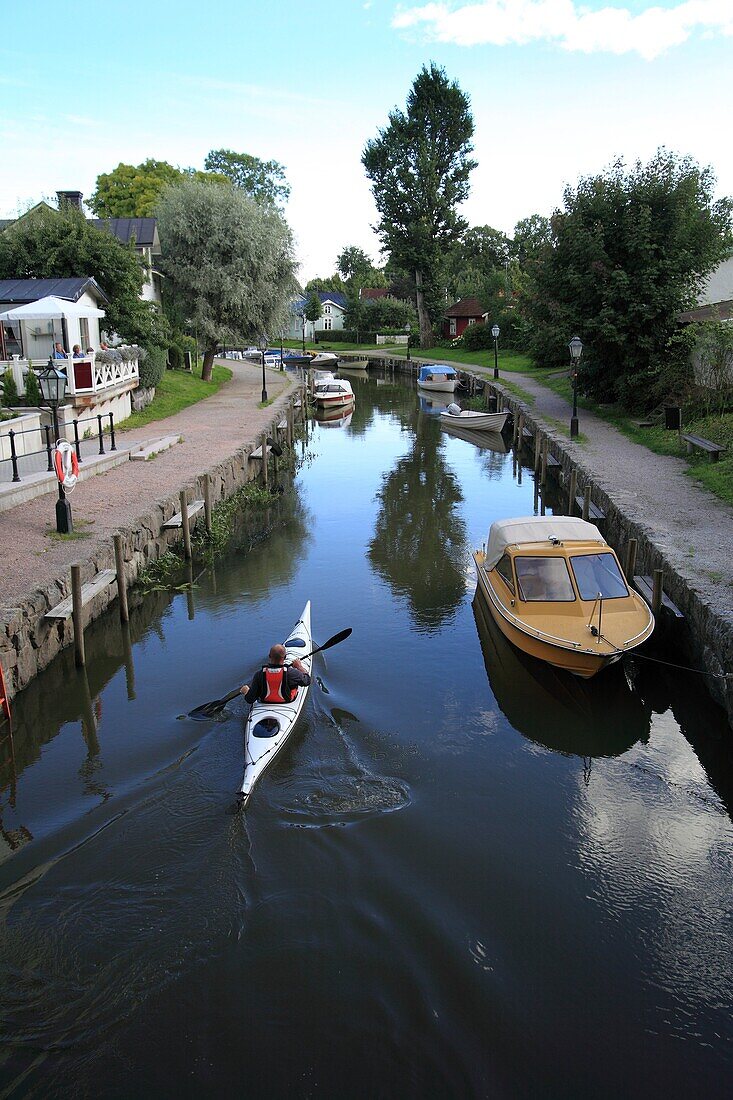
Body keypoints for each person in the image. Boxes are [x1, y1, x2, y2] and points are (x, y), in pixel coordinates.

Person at [240, 643, 310, 705]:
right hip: (287, 701)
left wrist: (246, 691)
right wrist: (299, 667)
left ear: (269, 656)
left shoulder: (259, 674)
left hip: (265, 702)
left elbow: (250, 699)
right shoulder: (291, 673)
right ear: (285, 657)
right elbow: (307, 681)